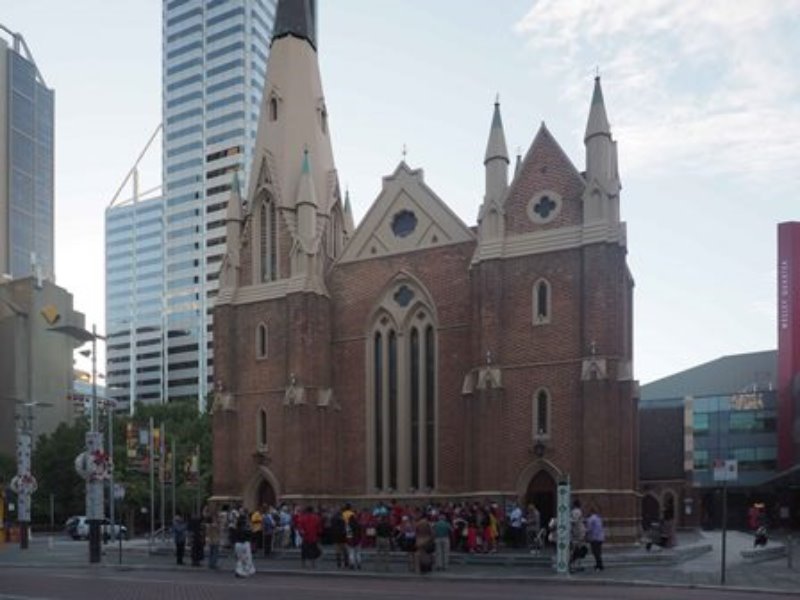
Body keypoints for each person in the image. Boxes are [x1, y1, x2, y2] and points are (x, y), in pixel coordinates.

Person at [233, 514, 255, 578]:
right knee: (246, 559)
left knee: (239, 559)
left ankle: (238, 571)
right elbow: (249, 535)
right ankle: (244, 572)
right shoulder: (245, 527)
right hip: (244, 544)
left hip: (237, 544)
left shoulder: (237, 527)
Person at [585, 506, 604, 571]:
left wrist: (585, 534)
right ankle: (599, 564)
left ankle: (599, 565)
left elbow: (589, 529)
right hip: (600, 537)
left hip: (594, 537)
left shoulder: (590, 519)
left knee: (595, 552)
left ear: (591, 512)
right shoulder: (599, 518)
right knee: (598, 552)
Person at [569, 500, 586, 572]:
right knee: (578, 548)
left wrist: (566, 520)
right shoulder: (578, 511)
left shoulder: (576, 511)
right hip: (579, 532)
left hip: (577, 532)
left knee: (575, 549)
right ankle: (577, 564)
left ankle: (574, 565)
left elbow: (574, 520)